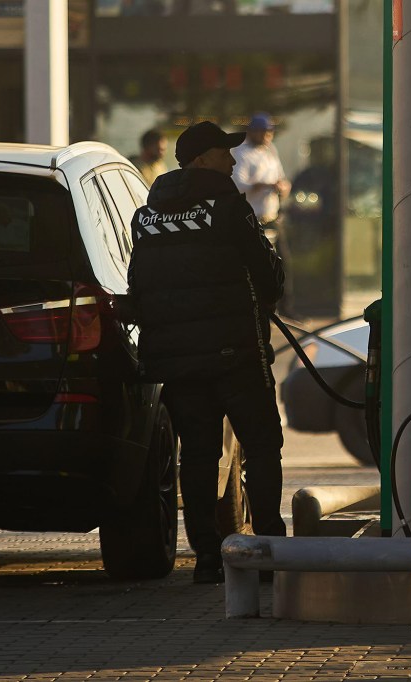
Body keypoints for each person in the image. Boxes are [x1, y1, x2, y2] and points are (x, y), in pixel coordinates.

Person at [127, 121, 287, 584]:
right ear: (201, 160)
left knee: (196, 454)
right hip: (236, 354)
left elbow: (139, 285)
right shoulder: (229, 208)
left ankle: (207, 558)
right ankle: (268, 551)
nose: (233, 161)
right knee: (261, 446)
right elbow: (269, 275)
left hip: (176, 361)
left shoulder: (146, 217)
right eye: (223, 153)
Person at [231, 112, 293, 316]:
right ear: (253, 132)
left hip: (272, 218)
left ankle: (286, 309)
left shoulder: (270, 150)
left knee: (283, 265)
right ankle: (260, 309)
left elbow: (281, 177)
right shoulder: (241, 153)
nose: (267, 136)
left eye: (269, 132)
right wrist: (267, 185)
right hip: (254, 220)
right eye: (262, 132)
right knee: (259, 267)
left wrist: (282, 186)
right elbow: (239, 185)